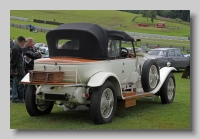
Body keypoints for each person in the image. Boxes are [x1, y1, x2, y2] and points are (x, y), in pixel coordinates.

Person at [10, 36, 26, 103]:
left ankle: (16, 98)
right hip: (18, 70)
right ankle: (17, 98)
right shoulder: (16, 49)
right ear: (22, 41)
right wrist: (14, 70)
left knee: (16, 84)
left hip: (19, 69)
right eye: (24, 42)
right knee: (19, 84)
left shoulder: (17, 48)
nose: (24, 44)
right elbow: (14, 60)